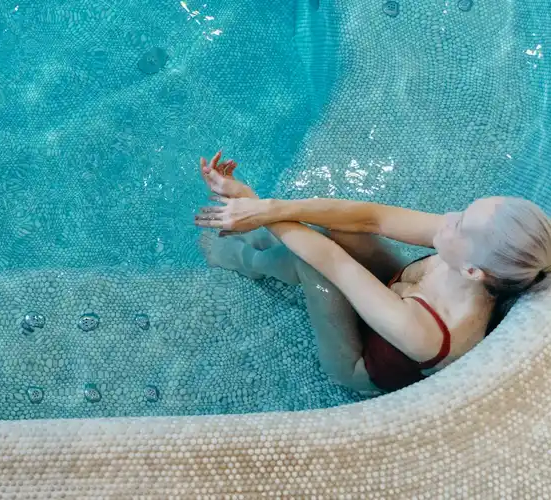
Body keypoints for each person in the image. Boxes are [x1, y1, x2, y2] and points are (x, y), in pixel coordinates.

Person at [193, 152, 551, 395]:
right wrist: (265, 208)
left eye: (461, 222)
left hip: (357, 364)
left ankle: (245, 261)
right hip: (396, 294)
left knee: (311, 263)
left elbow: (332, 262)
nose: (450, 214)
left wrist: (250, 201)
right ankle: (259, 231)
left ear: (474, 270)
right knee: (346, 230)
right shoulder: (476, 259)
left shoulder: (431, 332)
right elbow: (372, 217)